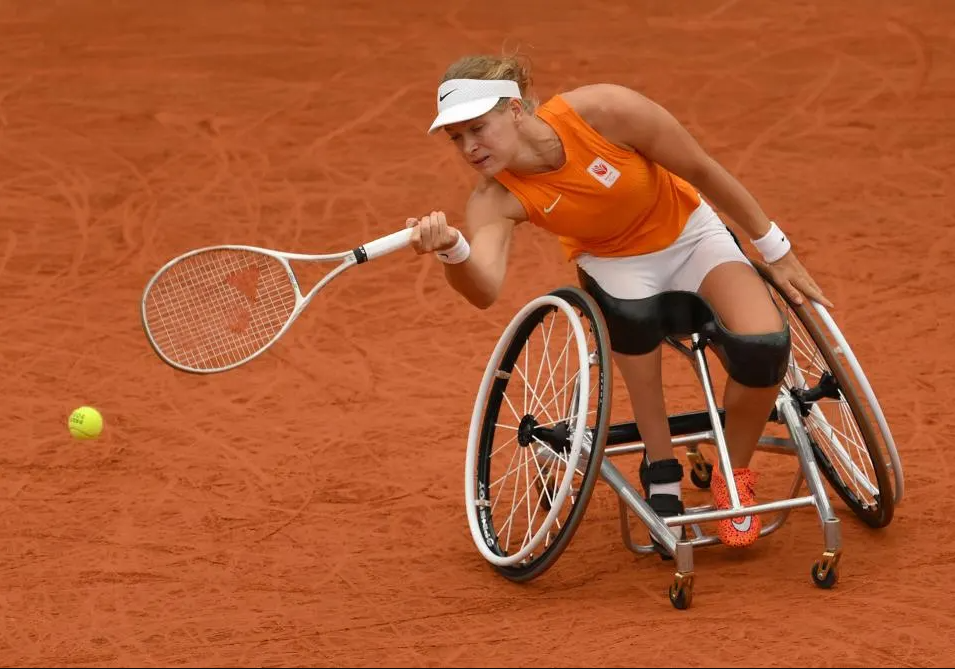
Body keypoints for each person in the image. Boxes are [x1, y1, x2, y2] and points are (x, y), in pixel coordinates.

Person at [405, 53, 832, 549]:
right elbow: (483, 290)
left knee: (763, 349)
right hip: (615, 263)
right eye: (456, 138)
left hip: (692, 236)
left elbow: (701, 168)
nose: (469, 147)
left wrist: (775, 249)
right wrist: (453, 250)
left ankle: (732, 473)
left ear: (516, 109)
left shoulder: (605, 112)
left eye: (477, 128)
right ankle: (662, 465)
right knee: (632, 319)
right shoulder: (494, 199)